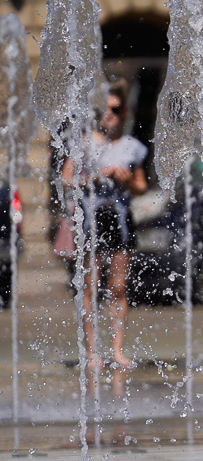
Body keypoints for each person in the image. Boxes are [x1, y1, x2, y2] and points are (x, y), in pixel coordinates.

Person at [62, 80, 148, 370]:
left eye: (114, 109)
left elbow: (140, 186)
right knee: (90, 287)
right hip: (91, 219)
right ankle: (91, 351)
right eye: (103, 110)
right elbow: (66, 178)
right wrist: (93, 178)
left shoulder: (131, 147)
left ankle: (116, 349)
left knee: (119, 286)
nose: (108, 115)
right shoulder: (84, 144)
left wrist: (126, 180)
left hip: (120, 219)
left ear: (124, 112)